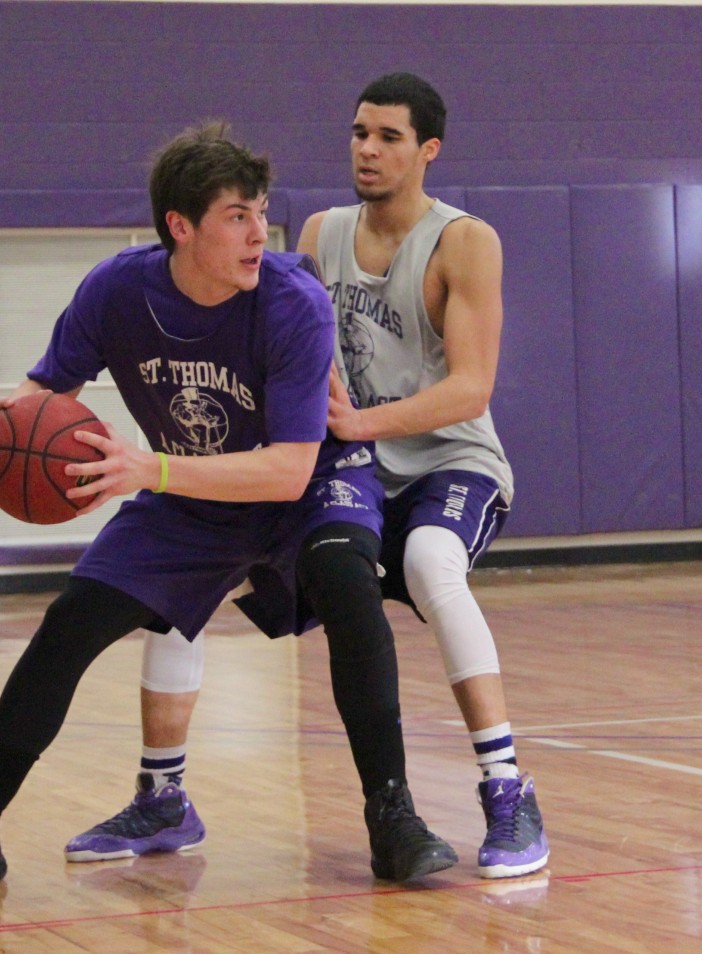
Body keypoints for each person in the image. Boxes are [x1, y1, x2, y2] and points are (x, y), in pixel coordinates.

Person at [0, 122, 456, 899]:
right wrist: (5, 423)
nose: (259, 233)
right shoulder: (117, 290)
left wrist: (144, 467)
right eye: (236, 217)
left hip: (309, 481)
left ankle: (394, 816)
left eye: (260, 212)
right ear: (180, 227)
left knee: (348, 585)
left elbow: (287, 470)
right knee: (69, 624)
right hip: (192, 491)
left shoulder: (293, 300)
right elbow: (48, 390)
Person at [70, 74, 548, 881]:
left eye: (388, 137)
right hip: (349, 467)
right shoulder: (322, 232)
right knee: (197, 556)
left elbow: (472, 388)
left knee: (432, 562)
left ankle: (507, 789)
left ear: (428, 150)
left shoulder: (466, 241)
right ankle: (162, 793)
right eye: (359, 132)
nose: (366, 148)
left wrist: (361, 421)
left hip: (448, 460)